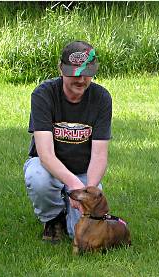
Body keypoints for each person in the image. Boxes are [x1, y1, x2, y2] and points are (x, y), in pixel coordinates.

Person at [23, 40, 112, 243]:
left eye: (87, 72)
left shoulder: (102, 97)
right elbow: (45, 155)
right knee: (37, 177)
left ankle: (67, 213)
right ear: (60, 69)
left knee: (79, 234)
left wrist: (88, 191)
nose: (80, 79)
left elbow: (99, 154)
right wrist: (74, 186)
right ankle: (53, 218)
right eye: (74, 73)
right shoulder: (43, 94)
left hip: (83, 172)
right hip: (49, 168)